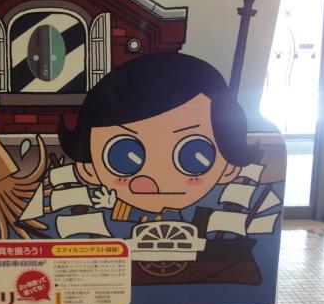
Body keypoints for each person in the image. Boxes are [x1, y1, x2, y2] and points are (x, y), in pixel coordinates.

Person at [58, 52, 257, 223]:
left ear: (229, 168)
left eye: (194, 156)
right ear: (88, 169)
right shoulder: (112, 216)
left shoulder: (205, 216)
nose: (152, 180)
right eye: (123, 156)